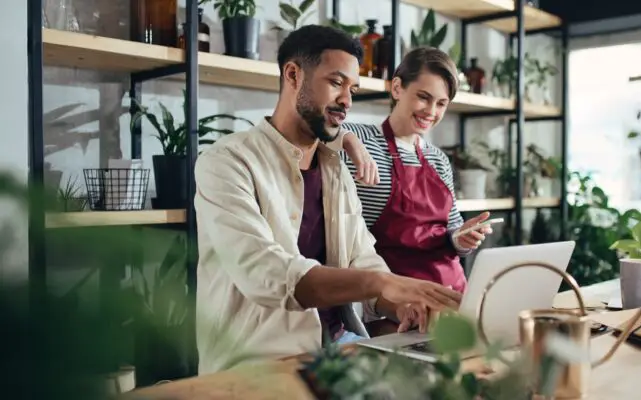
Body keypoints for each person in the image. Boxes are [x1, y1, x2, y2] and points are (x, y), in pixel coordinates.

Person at [193, 26, 462, 374]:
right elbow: (266, 274)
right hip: (257, 369)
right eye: (336, 83)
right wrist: (385, 283)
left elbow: (362, 258)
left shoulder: (335, 169)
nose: (347, 101)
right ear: (293, 74)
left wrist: (400, 305)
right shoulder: (227, 162)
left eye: (352, 89)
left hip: (339, 354)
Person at [339, 47, 493, 295]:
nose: (431, 111)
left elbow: (451, 234)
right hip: (395, 297)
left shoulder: (438, 159)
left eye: (441, 103)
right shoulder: (361, 139)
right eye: (424, 97)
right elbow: (313, 129)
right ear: (398, 88)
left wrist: (463, 238)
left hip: (452, 291)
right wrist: (347, 140)